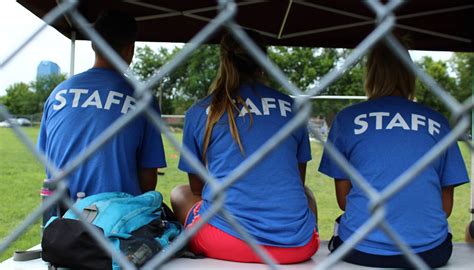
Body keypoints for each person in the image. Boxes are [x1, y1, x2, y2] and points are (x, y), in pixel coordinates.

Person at [170, 32, 319, 264]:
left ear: (224, 60)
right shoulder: (293, 107)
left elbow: (196, 187)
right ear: (263, 63)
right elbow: (298, 181)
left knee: (180, 193)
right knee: (307, 193)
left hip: (226, 242)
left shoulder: (201, 111)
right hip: (298, 245)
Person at [319, 41, 469, 268]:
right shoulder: (438, 121)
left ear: (370, 75)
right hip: (430, 253)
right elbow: (445, 208)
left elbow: (343, 201)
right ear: (411, 76)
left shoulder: (347, 119)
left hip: (359, 249)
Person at [37, 11, 166, 204]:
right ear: (130, 49)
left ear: (93, 45)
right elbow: (148, 180)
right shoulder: (142, 99)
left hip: (61, 220)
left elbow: (48, 157)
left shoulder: (59, 92)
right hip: (117, 223)